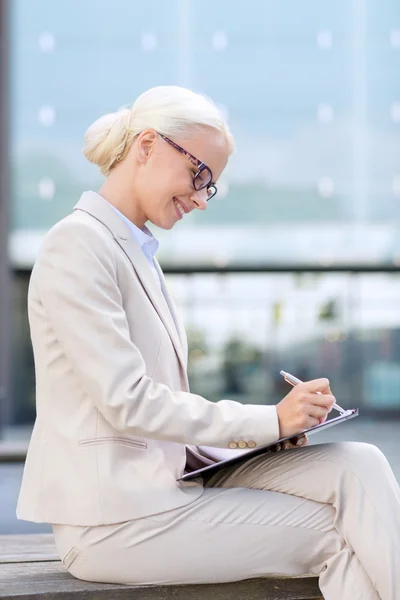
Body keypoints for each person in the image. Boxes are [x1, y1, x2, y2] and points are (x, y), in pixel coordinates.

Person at [17, 86, 399, 599]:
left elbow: (160, 416)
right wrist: (269, 420)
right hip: (115, 520)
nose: (200, 198)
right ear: (147, 146)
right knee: (341, 534)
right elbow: (127, 400)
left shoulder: (136, 251)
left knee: (361, 464)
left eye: (210, 187)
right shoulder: (77, 244)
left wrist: (268, 437)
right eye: (199, 175)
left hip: (172, 485)